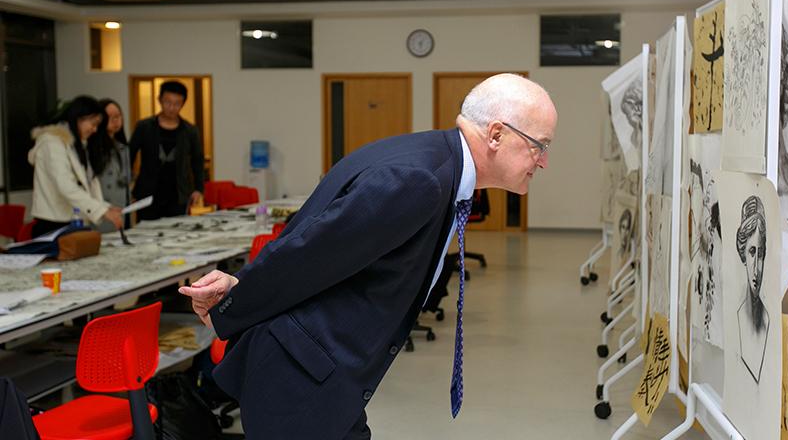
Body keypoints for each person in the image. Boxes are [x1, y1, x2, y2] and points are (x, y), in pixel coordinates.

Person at [179, 74, 557, 438]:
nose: (542, 162)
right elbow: (310, 255)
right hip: (297, 380)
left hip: (326, 379)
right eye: (539, 145)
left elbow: (320, 237)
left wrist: (240, 285)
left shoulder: (433, 163)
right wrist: (233, 301)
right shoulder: (419, 179)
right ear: (496, 134)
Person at [27, 96, 124, 237]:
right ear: (79, 118)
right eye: (93, 123)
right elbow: (66, 186)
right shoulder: (52, 143)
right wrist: (102, 211)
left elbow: (86, 185)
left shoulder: (77, 144)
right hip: (53, 225)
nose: (95, 129)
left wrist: (105, 207)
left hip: (74, 222)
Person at [129, 80, 204, 220]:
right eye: (168, 102)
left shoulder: (190, 131)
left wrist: (198, 189)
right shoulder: (144, 127)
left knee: (177, 233)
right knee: (146, 233)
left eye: (177, 103)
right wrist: (128, 187)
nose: (171, 107)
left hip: (178, 194)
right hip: (148, 193)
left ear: (183, 104)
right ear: (160, 100)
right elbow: (129, 155)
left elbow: (197, 161)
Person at [735, 195, 769, 384]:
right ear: (742, 253)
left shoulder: (768, 320)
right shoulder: (738, 316)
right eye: (752, 252)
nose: (756, 267)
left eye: (761, 253)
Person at [89, 99, 131, 233]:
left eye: (118, 116)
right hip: (101, 209)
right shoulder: (91, 148)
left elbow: (126, 180)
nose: (115, 121)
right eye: (110, 117)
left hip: (121, 208)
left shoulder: (123, 148)